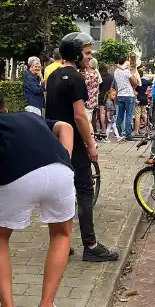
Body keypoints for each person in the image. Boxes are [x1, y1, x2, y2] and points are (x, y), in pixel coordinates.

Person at [0, 91, 76, 307]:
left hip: (16, 175)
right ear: (5, 110)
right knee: (61, 234)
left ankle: (8, 305)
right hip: (59, 172)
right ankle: (46, 303)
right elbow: (66, 127)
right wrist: (65, 158)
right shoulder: (31, 117)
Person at [45, 32, 120, 263]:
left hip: (55, 142)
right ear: (76, 54)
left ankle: (61, 242)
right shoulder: (76, 79)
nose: (90, 57)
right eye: (87, 53)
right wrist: (91, 144)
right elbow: (79, 116)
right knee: (85, 192)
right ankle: (91, 245)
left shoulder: (53, 76)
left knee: (59, 194)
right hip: (75, 144)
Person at [112, 56, 138, 140]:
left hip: (120, 94)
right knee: (129, 115)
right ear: (124, 62)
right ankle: (128, 135)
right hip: (129, 94)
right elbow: (135, 82)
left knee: (120, 115)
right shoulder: (127, 72)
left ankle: (118, 132)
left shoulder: (115, 72)